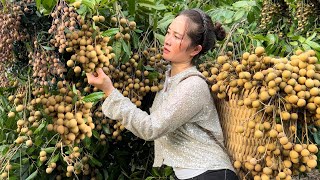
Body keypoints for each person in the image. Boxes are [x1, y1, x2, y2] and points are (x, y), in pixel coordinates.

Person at [86, 8, 238, 180]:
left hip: (211, 174)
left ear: (195, 50)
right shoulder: (166, 78)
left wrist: (109, 91)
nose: (167, 40)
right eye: (168, 32)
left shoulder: (193, 86)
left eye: (177, 37)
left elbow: (151, 128)